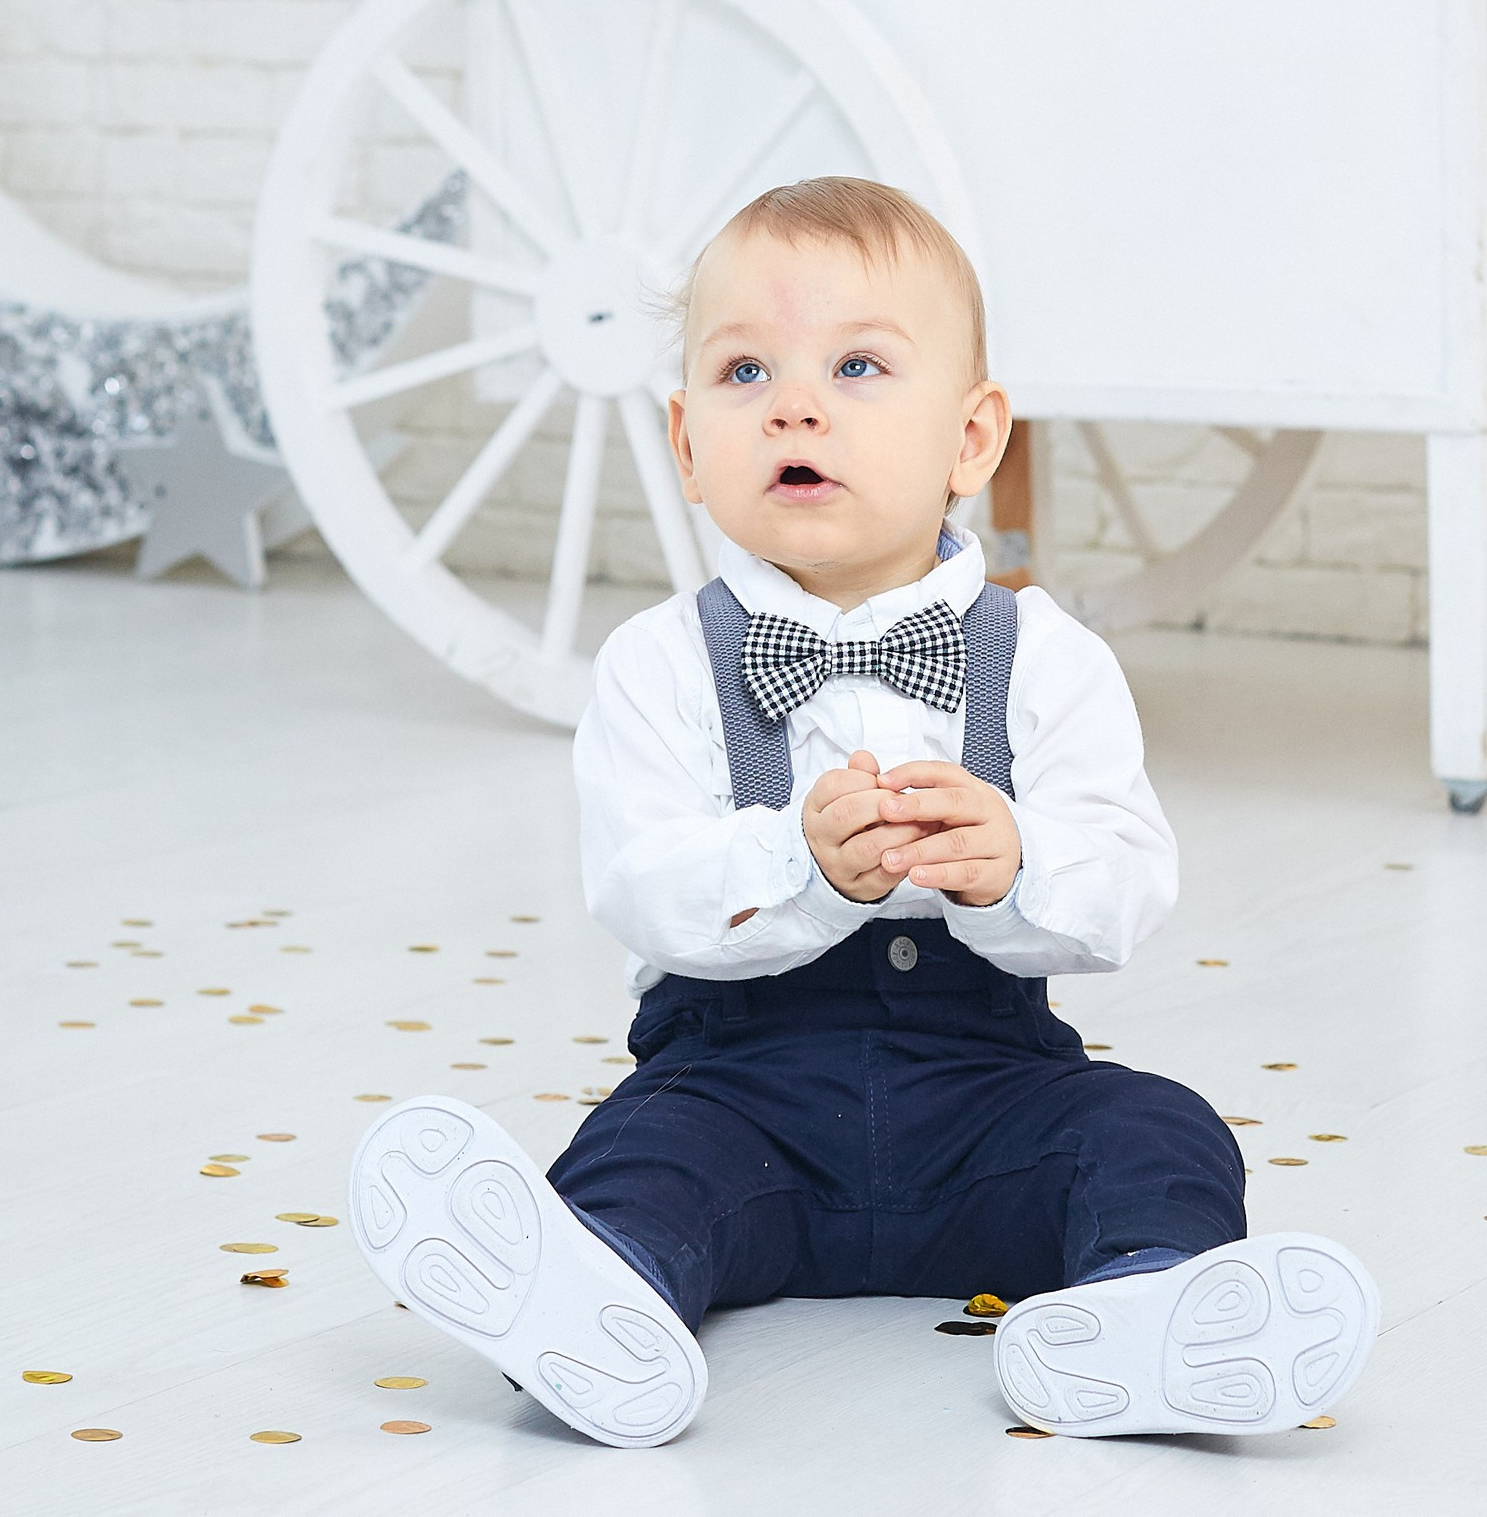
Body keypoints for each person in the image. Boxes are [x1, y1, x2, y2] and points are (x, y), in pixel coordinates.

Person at [349, 177, 1378, 1447]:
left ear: (970, 437)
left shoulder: (1044, 657)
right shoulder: (658, 662)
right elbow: (639, 882)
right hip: (741, 1104)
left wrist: (1016, 867)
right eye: (741, 372)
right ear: (683, 441)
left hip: (984, 1105)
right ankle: (598, 1297)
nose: (793, 402)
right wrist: (796, 863)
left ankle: (1141, 1310)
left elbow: (1123, 881)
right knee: (636, 1159)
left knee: (1152, 1128)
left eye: (854, 364)